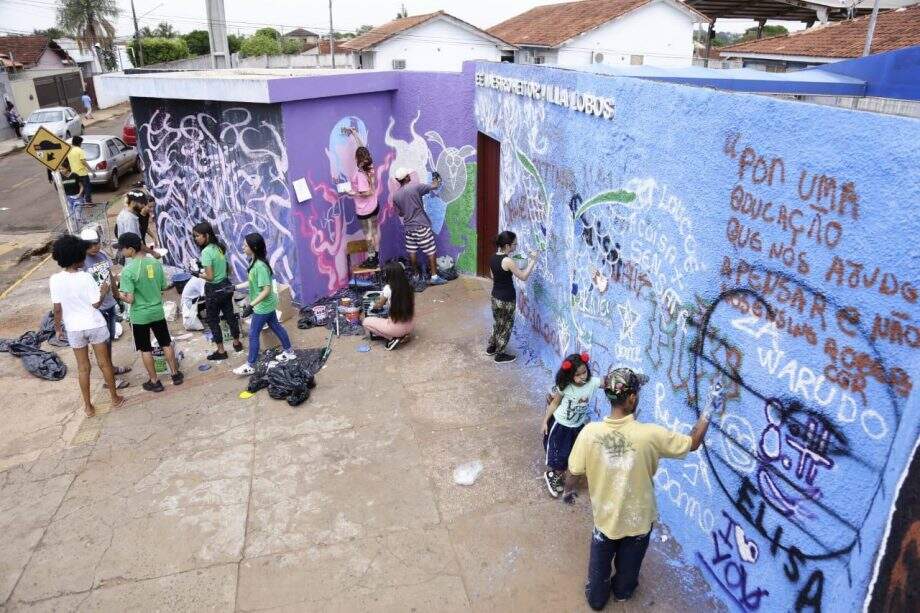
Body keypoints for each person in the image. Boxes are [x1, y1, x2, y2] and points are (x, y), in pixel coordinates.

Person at [567, 368, 723, 609]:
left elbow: (574, 474)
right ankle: (622, 591)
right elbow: (692, 442)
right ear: (631, 398)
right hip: (639, 523)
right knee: (625, 587)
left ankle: (600, 595)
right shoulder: (650, 435)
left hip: (605, 522)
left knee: (596, 599)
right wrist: (710, 406)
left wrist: (569, 491)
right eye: (637, 392)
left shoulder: (589, 433)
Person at [49, 234, 125, 416]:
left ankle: (88, 407)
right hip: (94, 324)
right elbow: (95, 304)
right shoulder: (85, 277)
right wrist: (104, 291)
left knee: (83, 368)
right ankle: (114, 398)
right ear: (77, 257)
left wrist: (58, 328)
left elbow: (57, 309)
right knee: (104, 363)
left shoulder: (55, 280)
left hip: (74, 328)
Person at [117, 232, 183, 392]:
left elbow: (130, 299)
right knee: (165, 342)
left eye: (122, 249)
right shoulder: (155, 263)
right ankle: (175, 375)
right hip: (157, 311)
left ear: (131, 250)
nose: (121, 252)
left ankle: (154, 381)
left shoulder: (128, 270)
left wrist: (117, 293)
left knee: (145, 348)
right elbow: (163, 287)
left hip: (140, 315)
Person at [540, 352, 602, 502]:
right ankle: (552, 474)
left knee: (572, 454)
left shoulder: (592, 382)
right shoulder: (565, 387)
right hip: (561, 425)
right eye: (577, 375)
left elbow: (607, 383)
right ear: (569, 375)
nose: (582, 377)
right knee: (559, 455)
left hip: (577, 426)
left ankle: (559, 473)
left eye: (584, 372)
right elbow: (555, 403)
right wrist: (545, 421)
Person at [232, 233, 296, 376]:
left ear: (253, 247)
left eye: (245, 245)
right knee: (276, 326)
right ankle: (289, 351)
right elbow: (253, 282)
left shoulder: (259, 266)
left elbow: (266, 290)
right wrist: (235, 287)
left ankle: (250, 365)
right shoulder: (255, 261)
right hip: (267, 304)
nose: (243, 247)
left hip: (263, 306)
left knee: (253, 334)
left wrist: (251, 305)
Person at [80, 227, 131, 389]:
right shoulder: (81, 262)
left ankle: (111, 369)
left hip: (109, 304)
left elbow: (110, 276)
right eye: (91, 244)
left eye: (97, 243)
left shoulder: (102, 256)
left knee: (108, 342)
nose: (96, 247)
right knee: (101, 345)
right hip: (97, 309)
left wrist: (117, 296)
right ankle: (108, 380)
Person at [191, 221, 242, 360]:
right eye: (194, 236)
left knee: (212, 320)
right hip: (225, 286)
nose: (196, 239)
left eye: (197, 236)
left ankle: (221, 351)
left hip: (214, 290)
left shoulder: (206, 252)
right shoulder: (218, 247)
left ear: (206, 235)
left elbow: (209, 277)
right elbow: (228, 268)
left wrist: (196, 273)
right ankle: (237, 343)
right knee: (229, 315)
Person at [487, 231, 537, 364]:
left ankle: (492, 346)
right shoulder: (507, 260)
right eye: (515, 244)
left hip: (495, 296)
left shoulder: (493, 257)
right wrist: (533, 260)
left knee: (498, 322)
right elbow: (523, 276)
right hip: (506, 299)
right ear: (507, 246)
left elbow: (493, 276)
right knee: (506, 325)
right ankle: (500, 354)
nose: (516, 246)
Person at [391, 167, 447, 286]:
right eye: (408, 174)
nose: (409, 175)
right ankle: (434, 276)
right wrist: (437, 179)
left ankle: (416, 275)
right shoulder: (415, 187)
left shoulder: (395, 196)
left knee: (412, 252)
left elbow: (400, 213)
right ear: (406, 178)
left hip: (408, 228)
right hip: (421, 225)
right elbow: (434, 186)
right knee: (431, 250)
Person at [345, 128, 380, 268]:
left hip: (364, 210)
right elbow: (362, 147)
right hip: (374, 206)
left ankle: (372, 258)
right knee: (375, 232)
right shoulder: (370, 166)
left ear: (357, 159)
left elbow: (367, 193)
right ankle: (376, 255)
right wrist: (354, 133)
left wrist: (353, 193)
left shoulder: (360, 174)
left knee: (368, 235)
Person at [362, 262, 415, 351]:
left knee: (365, 322)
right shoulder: (409, 286)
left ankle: (393, 338)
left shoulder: (388, 288)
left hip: (396, 328)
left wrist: (372, 304)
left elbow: (378, 305)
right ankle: (404, 335)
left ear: (390, 275)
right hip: (410, 325)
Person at [116, 192, 159, 258]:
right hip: (133, 256)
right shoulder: (129, 219)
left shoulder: (125, 213)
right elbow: (136, 243)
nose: (143, 206)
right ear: (133, 202)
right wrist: (153, 253)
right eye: (141, 204)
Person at [66, 135, 93, 204]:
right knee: (87, 188)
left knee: (80, 188)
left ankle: (81, 201)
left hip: (74, 173)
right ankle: (88, 202)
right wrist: (91, 171)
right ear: (79, 143)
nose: (81, 144)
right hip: (82, 173)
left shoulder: (69, 151)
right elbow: (83, 161)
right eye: (81, 143)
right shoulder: (80, 150)